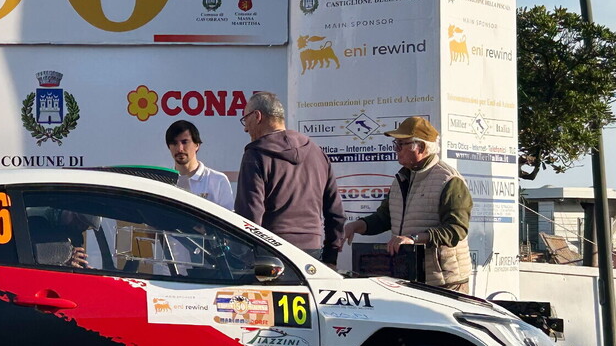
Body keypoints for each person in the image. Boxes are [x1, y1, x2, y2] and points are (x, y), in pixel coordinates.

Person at [342, 116, 473, 293]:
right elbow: (384, 218)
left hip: (445, 281)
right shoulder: (402, 178)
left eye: (401, 144)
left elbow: (456, 230)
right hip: (409, 276)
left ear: (421, 147)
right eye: (396, 144)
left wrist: (414, 238)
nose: (396, 150)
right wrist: (355, 226)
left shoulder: (449, 180)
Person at [234, 92, 344, 265]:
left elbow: (249, 215)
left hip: (270, 255)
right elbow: (335, 212)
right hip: (312, 253)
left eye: (245, 119)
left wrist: (245, 259)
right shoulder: (317, 153)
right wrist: (331, 257)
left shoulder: (255, 155)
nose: (245, 128)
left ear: (257, 116)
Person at [165, 119, 234, 210]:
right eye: (174, 143)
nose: (180, 148)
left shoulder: (218, 180)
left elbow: (227, 217)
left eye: (185, 142)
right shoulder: (163, 182)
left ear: (197, 145)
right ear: (169, 147)